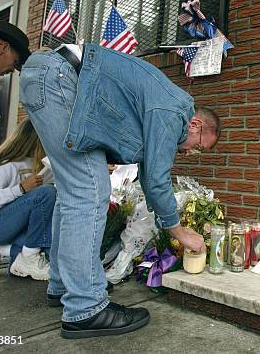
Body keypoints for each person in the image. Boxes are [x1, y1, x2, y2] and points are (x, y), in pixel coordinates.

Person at [19, 44, 220, 339]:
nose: (191, 154)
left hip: (47, 76)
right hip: (60, 79)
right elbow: (156, 176)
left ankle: (65, 286)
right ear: (195, 124)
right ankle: (85, 309)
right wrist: (179, 231)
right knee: (88, 190)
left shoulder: (162, 101)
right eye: (198, 146)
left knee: (72, 191)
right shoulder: (175, 109)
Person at [0, 119, 56, 280]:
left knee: (51, 251)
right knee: (47, 192)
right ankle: (28, 257)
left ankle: (0, 251)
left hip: (17, 226)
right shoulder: (5, 165)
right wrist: (20, 189)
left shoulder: (42, 164)